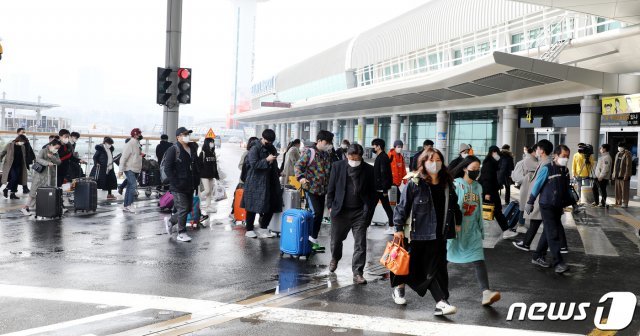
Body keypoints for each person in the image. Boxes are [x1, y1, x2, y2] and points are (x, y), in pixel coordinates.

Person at [392, 149, 461, 316]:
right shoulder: (415, 183)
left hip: (440, 234)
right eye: (431, 160)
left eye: (438, 160)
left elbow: (454, 205)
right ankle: (400, 286)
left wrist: (457, 222)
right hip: (418, 234)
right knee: (418, 268)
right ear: (423, 163)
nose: (435, 163)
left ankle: (442, 302)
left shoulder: (447, 184)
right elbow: (402, 207)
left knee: (439, 269)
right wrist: (398, 229)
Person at [449, 155, 501, 306]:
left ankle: (486, 293)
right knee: (445, 257)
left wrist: (480, 229)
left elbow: (478, 210)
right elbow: (451, 208)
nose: (476, 172)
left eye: (478, 169)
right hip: (456, 228)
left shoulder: (478, 186)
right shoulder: (456, 184)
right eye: (473, 169)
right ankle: (432, 287)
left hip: (472, 230)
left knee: (479, 259)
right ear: (464, 168)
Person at [326, 144, 376, 285]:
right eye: (351, 158)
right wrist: (330, 206)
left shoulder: (368, 170)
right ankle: (335, 258)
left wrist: (369, 211)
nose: (353, 160)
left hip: (359, 212)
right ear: (347, 155)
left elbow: (373, 193)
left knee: (360, 243)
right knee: (336, 241)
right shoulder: (338, 166)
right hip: (340, 211)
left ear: (361, 157)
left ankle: (358, 273)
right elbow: (331, 188)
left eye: (356, 159)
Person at [526, 145, 577, 273]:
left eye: (567, 157)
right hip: (546, 204)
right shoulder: (547, 169)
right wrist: (530, 202)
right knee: (553, 232)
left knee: (548, 232)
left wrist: (573, 203)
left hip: (557, 205)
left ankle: (537, 256)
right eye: (563, 156)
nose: (565, 159)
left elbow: (566, 190)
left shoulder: (565, 170)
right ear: (555, 155)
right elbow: (537, 186)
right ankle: (558, 262)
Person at [513, 140, 568, 253]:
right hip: (546, 200)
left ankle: (539, 250)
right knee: (546, 223)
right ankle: (560, 247)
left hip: (544, 200)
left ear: (542, 150)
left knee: (547, 224)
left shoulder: (546, 164)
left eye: (537, 149)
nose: (536, 151)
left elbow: (539, 183)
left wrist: (531, 200)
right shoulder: (544, 162)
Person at [295, 130, 334, 251]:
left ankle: (313, 239)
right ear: (319, 141)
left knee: (319, 215)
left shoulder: (327, 155)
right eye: (327, 142)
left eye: (330, 142)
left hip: (322, 189)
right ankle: (310, 240)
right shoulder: (309, 152)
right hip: (311, 189)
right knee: (316, 213)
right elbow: (298, 166)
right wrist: (301, 178)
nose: (329, 144)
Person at [242, 129, 281, 238]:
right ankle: (249, 229)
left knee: (272, 205)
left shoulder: (271, 148)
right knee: (252, 206)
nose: (270, 143)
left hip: (270, 181)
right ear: (263, 138)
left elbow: (273, 164)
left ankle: (264, 228)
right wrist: (267, 160)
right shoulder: (255, 148)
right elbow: (253, 164)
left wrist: (277, 171)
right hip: (255, 182)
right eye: (268, 141)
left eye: (271, 141)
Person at [163, 127, 199, 242]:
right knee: (183, 208)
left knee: (187, 209)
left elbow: (195, 166)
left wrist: (197, 181)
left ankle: (171, 221)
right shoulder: (173, 150)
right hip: (178, 185)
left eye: (188, 134)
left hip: (190, 183)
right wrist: (175, 182)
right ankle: (181, 232)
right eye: (184, 134)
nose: (187, 136)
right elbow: (167, 168)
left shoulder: (192, 148)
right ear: (178, 137)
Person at [479, 146, 518, 239]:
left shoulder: (492, 163)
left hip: (492, 190)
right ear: (493, 152)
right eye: (497, 153)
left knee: (496, 211)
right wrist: (487, 193)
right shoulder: (489, 164)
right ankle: (505, 230)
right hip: (490, 192)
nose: (498, 156)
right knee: (496, 211)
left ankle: (504, 229)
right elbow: (486, 179)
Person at [21, 139, 62, 216]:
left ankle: (45, 209)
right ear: (51, 145)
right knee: (34, 192)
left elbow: (59, 162)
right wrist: (47, 163)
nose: (57, 149)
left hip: (50, 176)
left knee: (48, 192)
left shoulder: (55, 153)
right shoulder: (43, 150)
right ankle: (25, 207)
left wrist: (52, 157)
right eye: (56, 147)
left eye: (58, 148)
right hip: (40, 175)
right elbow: (38, 159)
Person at [371, 138, 394, 235]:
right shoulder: (381, 156)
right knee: (373, 206)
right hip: (379, 188)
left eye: (374, 146)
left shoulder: (382, 157)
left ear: (378, 146)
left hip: (380, 188)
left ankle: (393, 226)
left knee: (385, 207)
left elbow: (384, 174)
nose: (373, 147)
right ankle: (392, 226)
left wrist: (384, 189)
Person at [120, 128, 143, 213]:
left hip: (136, 168)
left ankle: (126, 205)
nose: (140, 135)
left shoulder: (137, 144)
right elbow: (124, 156)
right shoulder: (130, 144)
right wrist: (120, 170)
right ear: (135, 135)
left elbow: (136, 155)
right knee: (133, 185)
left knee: (130, 186)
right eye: (139, 134)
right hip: (129, 167)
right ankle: (129, 204)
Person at [0, 135, 29, 199]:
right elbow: (3, 152)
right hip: (10, 165)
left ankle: (13, 194)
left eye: (24, 142)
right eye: (22, 141)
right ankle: (6, 189)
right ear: (18, 140)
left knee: (16, 180)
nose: (23, 143)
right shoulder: (9, 145)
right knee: (14, 178)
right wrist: (0, 158)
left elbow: (23, 157)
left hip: (19, 165)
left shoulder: (22, 147)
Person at [198, 136, 220, 215]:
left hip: (211, 175)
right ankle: (197, 201)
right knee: (206, 190)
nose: (213, 144)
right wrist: (200, 173)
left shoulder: (213, 152)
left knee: (209, 192)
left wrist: (216, 175)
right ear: (207, 143)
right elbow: (199, 165)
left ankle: (208, 206)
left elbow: (215, 164)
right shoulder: (203, 153)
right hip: (204, 175)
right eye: (211, 142)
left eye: (213, 142)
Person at [612, 142, 633, 208]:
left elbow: (628, 166)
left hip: (624, 175)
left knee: (625, 190)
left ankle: (625, 203)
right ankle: (618, 202)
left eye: (620, 146)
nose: (619, 148)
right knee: (617, 190)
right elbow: (615, 165)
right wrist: (613, 174)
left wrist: (626, 175)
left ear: (624, 147)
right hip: (617, 175)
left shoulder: (627, 154)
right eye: (618, 146)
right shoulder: (617, 154)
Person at [16, 128, 35, 194]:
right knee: (17, 175)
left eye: (24, 132)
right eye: (22, 132)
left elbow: (30, 149)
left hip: (24, 160)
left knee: (23, 174)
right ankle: (24, 188)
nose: (24, 133)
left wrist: (33, 158)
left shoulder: (26, 140)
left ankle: (25, 188)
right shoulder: (17, 141)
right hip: (19, 161)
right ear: (18, 133)